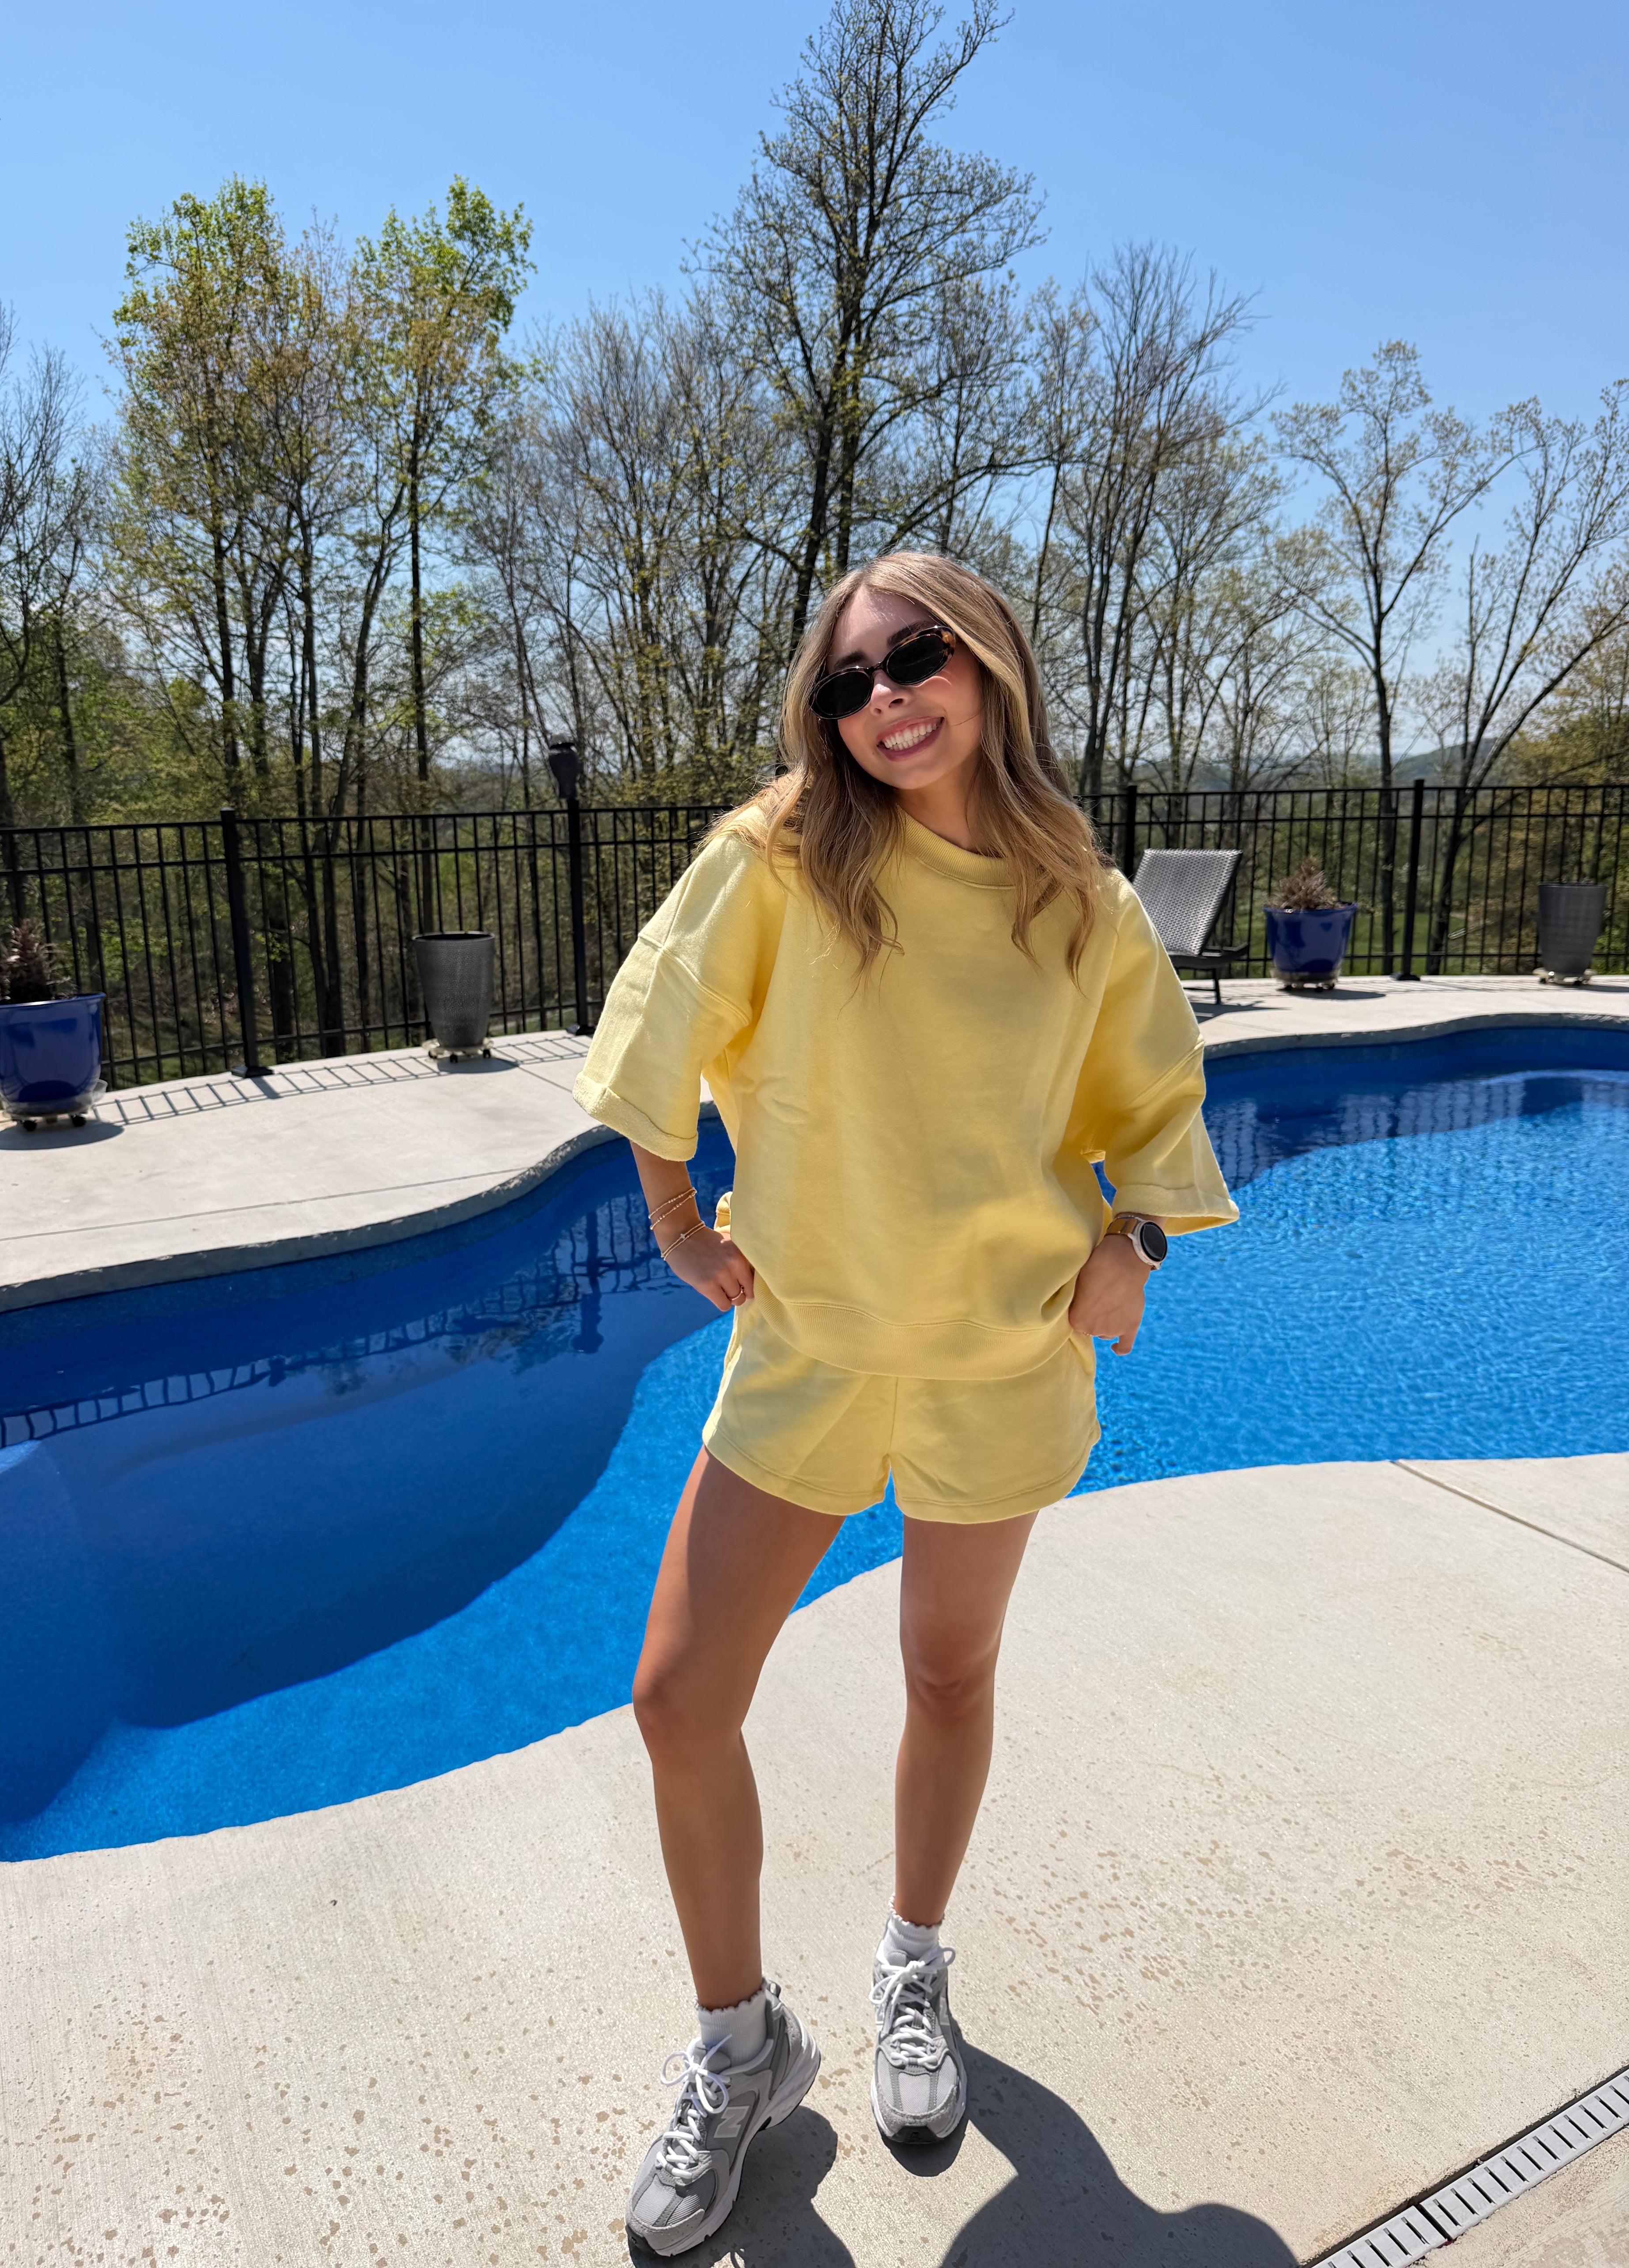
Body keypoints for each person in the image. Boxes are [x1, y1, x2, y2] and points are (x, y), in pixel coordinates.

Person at [571, 551, 1237, 2257]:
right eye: (850, 684)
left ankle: (912, 1970)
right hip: (811, 1346)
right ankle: (746, 2045)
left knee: (950, 1669)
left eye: (917, 659)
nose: (887, 703)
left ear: (989, 662)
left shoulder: (1073, 890)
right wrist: (671, 1223)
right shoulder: (781, 857)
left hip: (1000, 1349)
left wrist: (1135, 1241)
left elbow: (1153, 1086)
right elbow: (653, 1035)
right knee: (676, 1699)